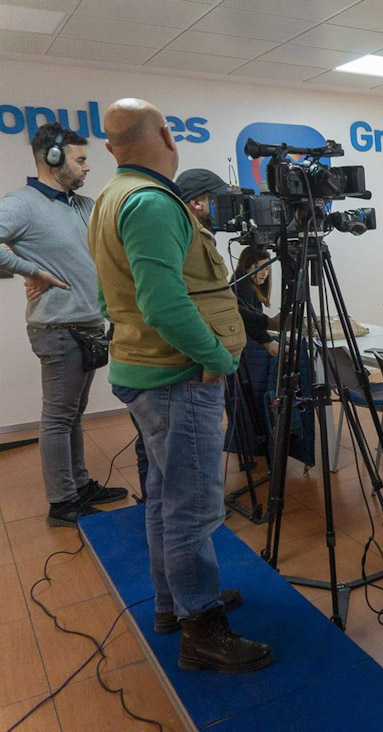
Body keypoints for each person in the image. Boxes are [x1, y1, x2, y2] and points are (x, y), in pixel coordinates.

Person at [89, 98, 272, 672]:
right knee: (192, 508)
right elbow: (162, 302)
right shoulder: (151, 203)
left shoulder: (111, 199)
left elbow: (109, 296)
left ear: (111, 147)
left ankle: (174, 604)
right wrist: (215, 357)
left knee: (167, 496)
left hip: (150, 373)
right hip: (178, 377)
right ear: (167, 135)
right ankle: (203, 631)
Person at [0, 122, 128, 527]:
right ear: (52, 158)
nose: (88, 167)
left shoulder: (82, 205)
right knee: (58, 417)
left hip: (88, 324)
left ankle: (78, 484)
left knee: (74, 414)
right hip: (57, 329)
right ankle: (62, 503)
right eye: (81, 159)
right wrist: (30, 270)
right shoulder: (20, 203)